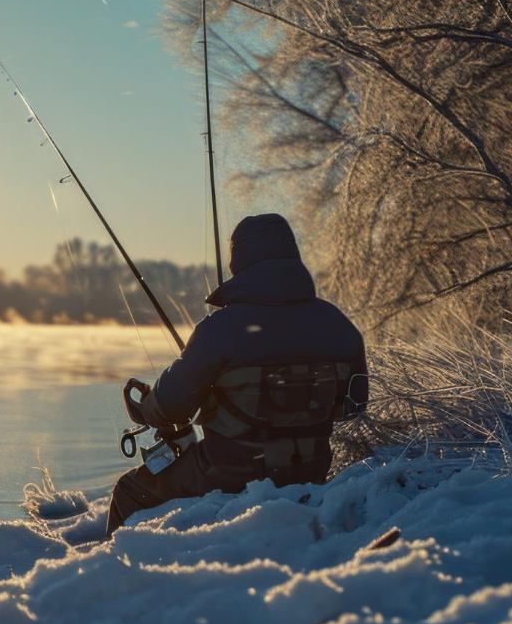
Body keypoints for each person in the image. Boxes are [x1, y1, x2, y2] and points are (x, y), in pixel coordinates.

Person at [106, 213, 368, 537]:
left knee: (128, 492)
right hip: (311, 469)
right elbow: (354, 406)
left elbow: (171, 407)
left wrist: (144, 406)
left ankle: (117, 575)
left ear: (239, 261)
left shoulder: (220, 329)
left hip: (229, 472)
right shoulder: (338, 325)